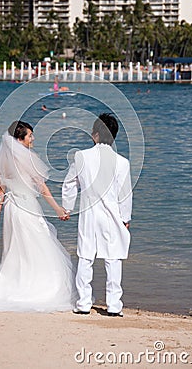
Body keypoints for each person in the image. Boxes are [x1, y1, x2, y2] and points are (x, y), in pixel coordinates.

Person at [0, 120, 76, 312]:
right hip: (27, 206)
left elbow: (0, 189)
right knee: (39, 242)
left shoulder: (5, 160)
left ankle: (14, 283)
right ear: (20, 139)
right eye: (30, 135)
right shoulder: (29, 159)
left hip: (12, 208)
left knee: (17, 248)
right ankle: (40, 285)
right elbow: (42, 187)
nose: (33, 138)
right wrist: (57, 209)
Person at [62, 113, 132, 317]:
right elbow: (125, 194)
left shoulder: (81, 156)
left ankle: (83, 303)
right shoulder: (122, 162)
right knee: (113, 259)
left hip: (88, 214)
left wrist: (68, 207)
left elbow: (70, 184)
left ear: (95, 135)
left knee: (85, 256)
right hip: (112, 215)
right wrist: (125, 218)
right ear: (114, 136)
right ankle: (113, 305)